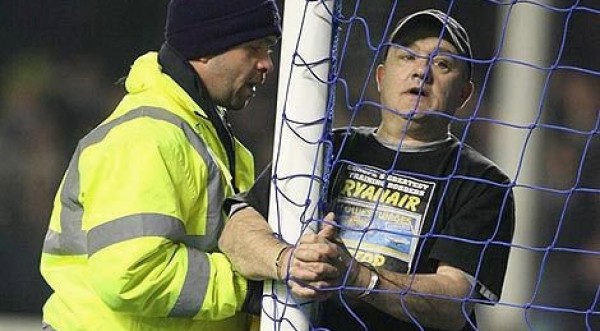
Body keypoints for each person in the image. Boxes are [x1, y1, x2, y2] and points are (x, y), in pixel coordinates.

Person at [218, 9, 515, 331]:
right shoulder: (327, 149)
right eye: (407, 57)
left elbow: (453, 302)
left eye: (442, 64)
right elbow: (237, 226)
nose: (422, 72)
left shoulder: (482, 182)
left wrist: (359, 278)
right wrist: (287, 261)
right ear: (381, 78)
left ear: (464, 94)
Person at [38, 0, 320, 330]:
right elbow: (133, 275)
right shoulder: (146, 137)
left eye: (269, 49)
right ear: (205, 47)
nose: (266, 64)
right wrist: (254, 283)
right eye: (253, 48)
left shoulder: (209, 140)